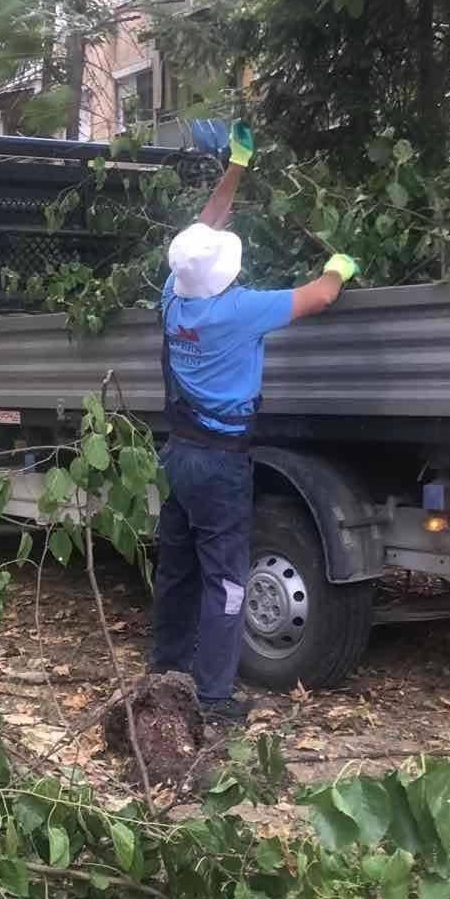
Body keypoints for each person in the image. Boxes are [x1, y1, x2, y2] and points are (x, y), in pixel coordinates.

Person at [149, 121, 360, 724]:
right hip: (221, 463)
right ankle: (214, 698)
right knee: (226, 579)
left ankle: (165, 672)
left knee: (178, 567)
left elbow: (201, 235)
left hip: (181, 454)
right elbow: (319, 296)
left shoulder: (174, 299)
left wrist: (236, 167)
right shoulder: (239, 311)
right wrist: (339, 266)